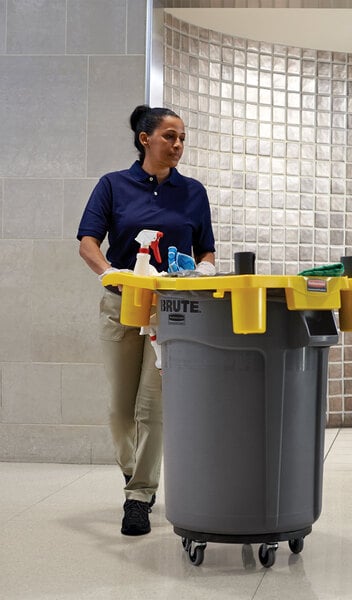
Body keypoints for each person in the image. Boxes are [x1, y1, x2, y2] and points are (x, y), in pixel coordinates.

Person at [77, 105, 216, 536]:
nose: (177, 145)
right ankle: (132, 470)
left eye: (181, 139)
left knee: (151, 407)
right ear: (145, 139)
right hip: (121, 305)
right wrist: (109, 273)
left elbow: (206, 249)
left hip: (171, 313)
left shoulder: (192, 192)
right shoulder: (113, 186)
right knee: (121, 409)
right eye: (169, 137)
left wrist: (204, 271)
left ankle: (138, 495)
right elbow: (87, 243)